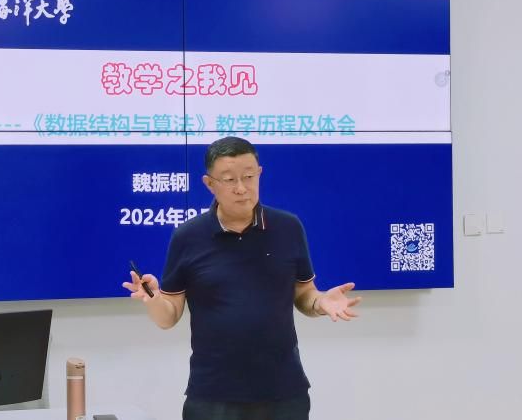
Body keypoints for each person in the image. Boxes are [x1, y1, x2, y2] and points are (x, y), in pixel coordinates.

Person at [123, 136, 361, 420]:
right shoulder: (188, 237)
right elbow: (168, 316)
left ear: (259, 173)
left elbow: (304, 293)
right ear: (209, 184)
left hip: (284, 392)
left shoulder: (288, 227)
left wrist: (320, 303)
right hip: (213, 394)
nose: (241, 188)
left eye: (249, 176)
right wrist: (152, 299)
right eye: (229, 179)